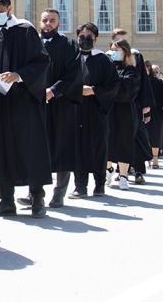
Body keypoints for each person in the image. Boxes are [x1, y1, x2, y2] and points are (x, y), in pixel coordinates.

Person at [0, 0, 51, 218]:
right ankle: (6, 201)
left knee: (31, 148)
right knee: (3, 151)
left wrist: (19, 75)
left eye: (0, 11)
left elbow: (42, 61)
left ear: (9, 8)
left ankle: (37, 198)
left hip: (26, 102)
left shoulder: (26, 31)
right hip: (2, 102)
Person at [17, 9, 81, 209]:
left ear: (59, 23)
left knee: (62, 149)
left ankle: (58, 194)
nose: (48, 23)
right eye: (45, 20)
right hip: (35, 103)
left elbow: (75, 74)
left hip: (61, 104)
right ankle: (34, 194)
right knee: (35, 149)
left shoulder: (69, 45)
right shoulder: (31, 43)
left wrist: (54, 90)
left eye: (52, 20)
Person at [70, 23, 120, 198]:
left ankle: (99, 184)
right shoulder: (71, 58)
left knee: (98, 147)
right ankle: (80, 186)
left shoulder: (104, 60)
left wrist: (94, 91)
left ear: (96, 38)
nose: (85, 39)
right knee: (77, 148)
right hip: (76, 110)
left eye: (89, 36)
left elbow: (114, 85)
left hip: (97, 110)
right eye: (81, 36)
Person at [105, 39, 140, 190]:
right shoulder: (107, 69)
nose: (115, 53)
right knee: (107, 141)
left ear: (125, 52)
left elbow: (128, 90)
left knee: (124, 142)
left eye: (117, 50)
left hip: (125, 110)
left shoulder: (131, 70)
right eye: (112, 50)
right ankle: (108, 170)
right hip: (109, 110)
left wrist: (113, 84)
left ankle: (124, 176)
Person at [145, 63, 163, 169]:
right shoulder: (145, 82)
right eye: (155, 71)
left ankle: (155, 159)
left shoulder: (161, 83)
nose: (156, 73)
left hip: (157, 112)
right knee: (148, 136)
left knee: (155, 136)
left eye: (157, 71)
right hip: (148, 111)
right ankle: (149, 159)